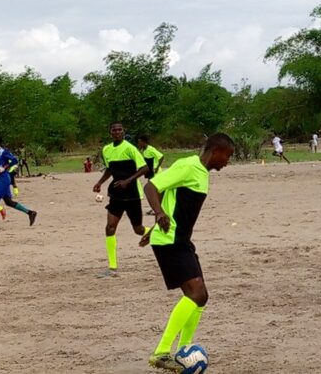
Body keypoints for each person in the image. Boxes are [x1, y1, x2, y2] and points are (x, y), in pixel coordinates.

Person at [142, 134, 235, 371]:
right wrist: (159, 214)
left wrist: (158, 219)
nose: (227, 162)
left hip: (180, 239)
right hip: (169, 240)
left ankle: (184, 350)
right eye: (227, 156)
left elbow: (169, 195)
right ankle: (161, 352)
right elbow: (152, 186)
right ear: (216, 151)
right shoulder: (188, 166)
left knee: (201, 297)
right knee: (195, 293)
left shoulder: (201, 173)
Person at [92, 122, 151, 278]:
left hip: (132, 194)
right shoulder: (107, 150)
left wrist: (128, 181)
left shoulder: (130, 148)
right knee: (110, 228)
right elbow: (110, 169)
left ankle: (156, 233)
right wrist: (100, 182)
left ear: (124, 132)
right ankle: (112, 268)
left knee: (138, 230)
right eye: (114, 130)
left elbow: (145, 168)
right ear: (110, 132)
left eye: (120, 130)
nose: (117, 132)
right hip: (116, 194)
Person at [0, 136, 37, 232]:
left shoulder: (3, 152)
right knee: (8, 202)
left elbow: (14, 160)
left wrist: (4, 168)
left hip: (3, 179)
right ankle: (30, 212)